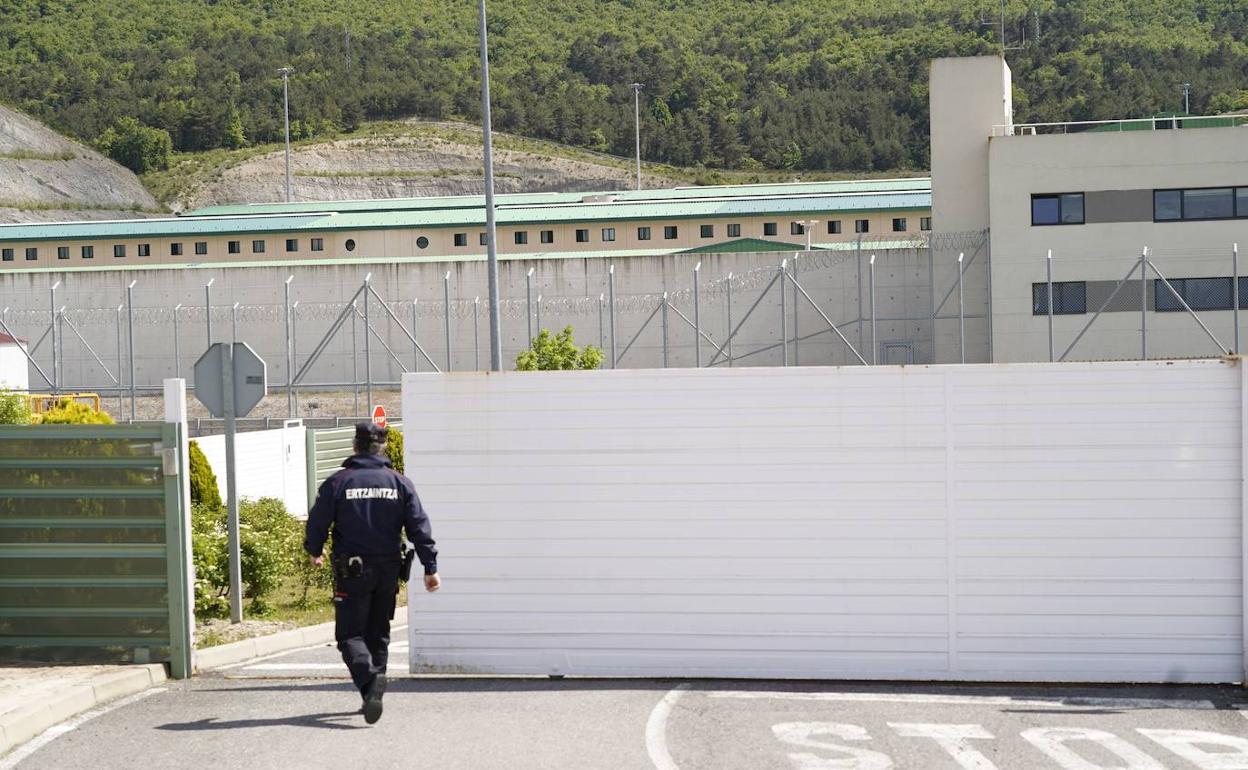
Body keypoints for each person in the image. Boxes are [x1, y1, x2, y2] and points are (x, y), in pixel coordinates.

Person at [304, 421, 440, 724]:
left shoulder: (339, 482)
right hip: (389, 569)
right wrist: (430, 567)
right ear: (383, 447)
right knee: (378, 633)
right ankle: (372, 692)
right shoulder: (399, 483)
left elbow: (317, 522)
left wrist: (315, 550)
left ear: (355, 446)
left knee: (350, 634)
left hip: (352, 571)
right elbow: (419, 526)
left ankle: (368, 679)